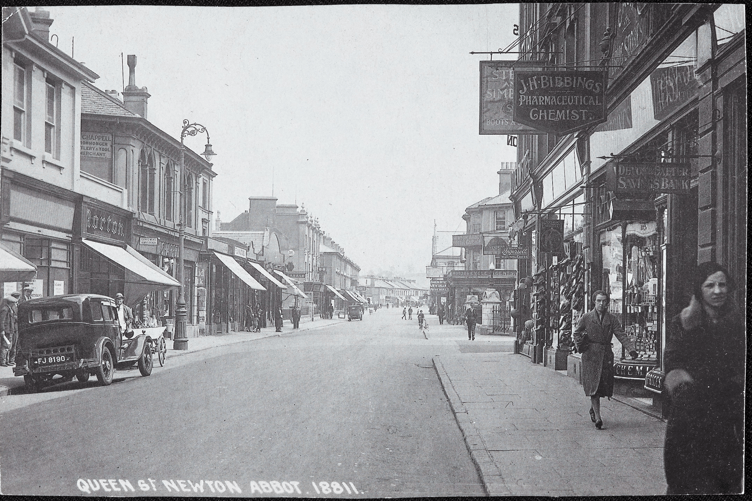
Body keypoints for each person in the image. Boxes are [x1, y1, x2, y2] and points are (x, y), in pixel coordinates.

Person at [662, 262, 743, 494]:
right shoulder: (684, 323)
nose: (718, 291)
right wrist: (686, 396)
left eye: (722, 285)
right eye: (710, 285)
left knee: (727, 480)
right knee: (687, 480)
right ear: (699, 289)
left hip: (728, 417)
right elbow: (673, 363)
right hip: (690, 417)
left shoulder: (738, 323)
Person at [573, 290, 637, 430]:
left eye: (604, 301)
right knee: (593, 387)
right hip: (590, 356)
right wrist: (581, 346)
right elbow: (576, 333)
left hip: (606, 355)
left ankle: (593, 409)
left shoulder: (612, 319)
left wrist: (630, 349)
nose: (601, 304)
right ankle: (598, 417)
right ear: (594, 302)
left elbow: (620, 334)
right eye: (598, 301)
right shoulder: (587, 317)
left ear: (607, 303)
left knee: (601, 386)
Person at [0, 292, 20, 366]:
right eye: (13, 303)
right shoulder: (5, 309)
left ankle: (7, 361)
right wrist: (2, 330)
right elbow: (2, 320)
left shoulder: (9, 309)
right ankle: (3, 361)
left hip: (10, 329)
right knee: (5, 346)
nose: (14, 304)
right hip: (7, 330)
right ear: (11, 303)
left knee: (9, 346)